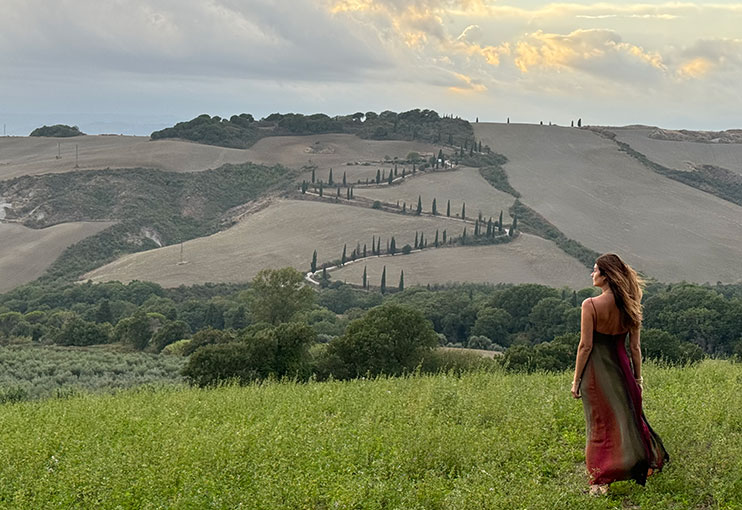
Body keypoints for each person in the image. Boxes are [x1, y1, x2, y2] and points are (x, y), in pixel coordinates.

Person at [571, 253, 669, 495]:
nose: (592, 274)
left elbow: (585, 346)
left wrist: (576, 381)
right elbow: (634, 348)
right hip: (623, 370)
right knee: (628, 420)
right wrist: (638, 379)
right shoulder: (630, 305)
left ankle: (599, 480)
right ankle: (639, 465)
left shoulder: (590, 305)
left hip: (596, 373)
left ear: (605, 276)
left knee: (599, 425)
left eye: (595, 270)